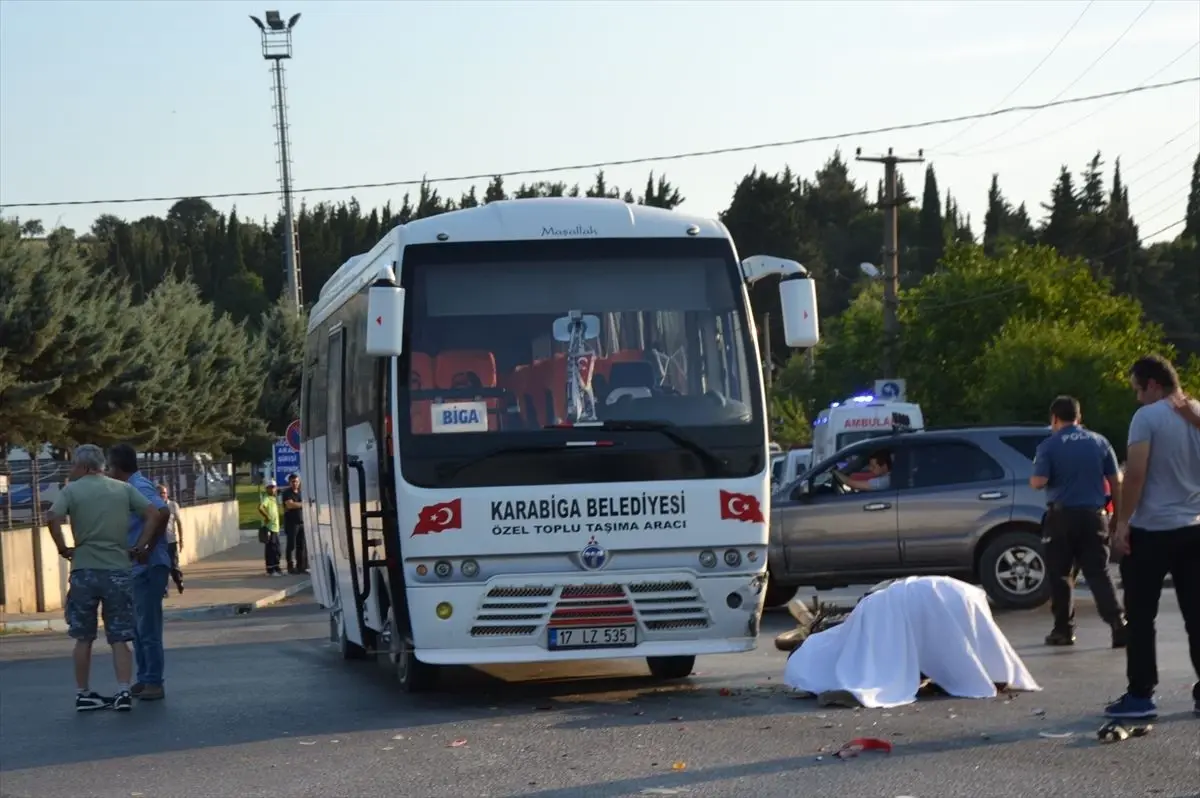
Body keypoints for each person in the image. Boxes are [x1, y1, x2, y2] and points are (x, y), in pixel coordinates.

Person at [1105, 355, 1200, 719]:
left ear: (1153, 385)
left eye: (1137, 389)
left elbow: (1137, 474)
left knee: (1142, 616)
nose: (1136, 398)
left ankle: (1141, 695)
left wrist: (1123, 523)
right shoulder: (1195, 412)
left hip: (1153, 530)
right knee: (1197, 614)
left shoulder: (1147, 417)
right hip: (1193, 528)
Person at [44, 444, 164, 712]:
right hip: (118, 570)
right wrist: (141, 546)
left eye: (74, 464)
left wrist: (63, 548)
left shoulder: (72, 490)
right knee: (120, 636)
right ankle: (123, 691)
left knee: (83, 636)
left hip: (84, 570)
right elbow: (154, 513)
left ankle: (83, 693)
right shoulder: (122, 489)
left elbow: (52, 516)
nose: (72, 470)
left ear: (84, 466)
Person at [1030, 395, 1126, 648]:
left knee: (1060, 574)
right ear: (1079, 417)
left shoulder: (1049, 446)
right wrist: (1116, 516)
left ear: (1054, 418)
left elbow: (1039, 482)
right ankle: (1118, 624)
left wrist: (1037, 478)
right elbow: (1116, 481)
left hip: (1061, 518)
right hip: (1094, 516)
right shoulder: (1099, 442)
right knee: (1099, 572)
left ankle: (1063, 630)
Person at [107, 444, 171, 701]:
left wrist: (147, 546)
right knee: (138, 626)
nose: (107, 472)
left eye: (109, 466)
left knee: (149, 627)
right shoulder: (129, 486)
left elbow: (162, 512)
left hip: (148, 568)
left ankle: (154, 681)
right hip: (138, 568)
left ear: (118, 467)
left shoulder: (137, 486)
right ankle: (145, 678)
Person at [157, 483, 185, 596]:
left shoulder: (173, 505)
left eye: (164, 493)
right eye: (160, 493)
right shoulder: (153, 507)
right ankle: (164, 589)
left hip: (171, 540)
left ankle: (179, 581)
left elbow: (179, 523)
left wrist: (181, 538)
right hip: (158, 542)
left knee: (173, 565)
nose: (162, 495)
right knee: (161, 566)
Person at [280, 472, 308, 574]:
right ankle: (290, 566)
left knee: (301, 546)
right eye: (292, 482)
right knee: (291, 546)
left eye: (296, 481)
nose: (295, 483)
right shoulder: (287, 493)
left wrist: (300, 504)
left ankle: (300, 566)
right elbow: (290, 505)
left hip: (302, 523)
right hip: (292, 523)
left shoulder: (301, 492)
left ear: (299, 482)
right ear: (289, 482)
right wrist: (304, 504)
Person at [259, 479, 283, 576]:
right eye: (270, 488)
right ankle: (271, 569)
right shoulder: (267, 498)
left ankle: (277, 567)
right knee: (271, 549)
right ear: (267, 489)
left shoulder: (273, 498)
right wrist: (267, 516)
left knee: (277, 549)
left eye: (274, 487)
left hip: (275, 528)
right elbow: (260, 507)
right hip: (270, 528)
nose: (272, 489)